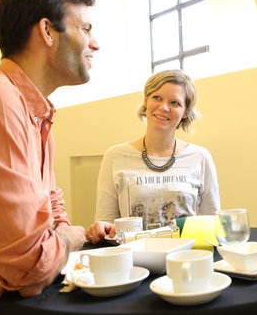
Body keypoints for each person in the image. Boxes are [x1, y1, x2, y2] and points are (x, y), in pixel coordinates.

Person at [0, 0, 100, 315]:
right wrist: (70, 239)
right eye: (85, 29)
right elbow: (28, 265)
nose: (95, 43)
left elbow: (52, 210)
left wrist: (45, 251)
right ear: (47, 31)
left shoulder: (35, 112)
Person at [85, 70, 220, 244]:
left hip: (185, 259)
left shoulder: (200, 157)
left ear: (185, 112)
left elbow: (214, 225)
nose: (164, 107)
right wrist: (99, 230)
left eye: (175, 103)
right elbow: (107, 225)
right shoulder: (115, 156)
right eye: (157, 97)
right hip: (134, 262)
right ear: (145, 100)